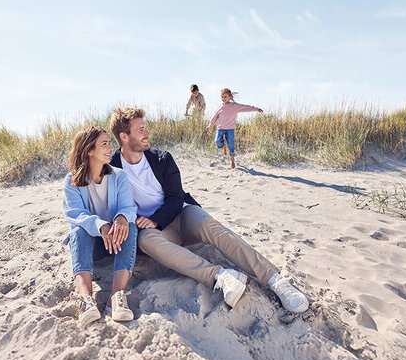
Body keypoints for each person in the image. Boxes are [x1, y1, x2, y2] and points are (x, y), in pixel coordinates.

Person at [108, 107, 309, 313]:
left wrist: (156, 219)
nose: (148, 134)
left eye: (146, 128)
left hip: (182, 216)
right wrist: (146, 222)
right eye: (141, 130)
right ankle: (221, 276)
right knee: (145, 240)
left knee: (209, 224)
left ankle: (274, 279)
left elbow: (176, 198)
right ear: (124, 137)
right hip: (158, 233)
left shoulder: (162, 159)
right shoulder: (111, 169)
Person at [61, 126, 139, 326]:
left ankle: (117, 296)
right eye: (104, 144)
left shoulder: (119, 176)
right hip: (91, 248)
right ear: (89, 150)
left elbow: (129, 207)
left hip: (117, 242)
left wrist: (121, 217)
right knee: (78, 231)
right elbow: (75, 214)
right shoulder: (71, 181)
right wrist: (101, 225)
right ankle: (86, 300)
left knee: (130, 226)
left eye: (109, 143)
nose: (110, 148)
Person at [206, 88, 263, 169]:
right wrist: (210, 125)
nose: (223, 98)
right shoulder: (220, 107)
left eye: (225, 97)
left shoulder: (235, 106)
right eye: (222, 97)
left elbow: (245, 107)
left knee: (231, 145)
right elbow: (214, 117)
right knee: (217, 141)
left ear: (230, 97)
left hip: (230, 129)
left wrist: (256, 109)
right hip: (220, 129)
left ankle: (232, 162)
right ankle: (223, 145)